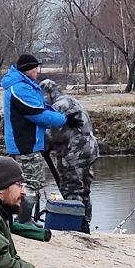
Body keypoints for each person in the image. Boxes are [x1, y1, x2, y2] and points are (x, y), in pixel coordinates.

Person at [0, 53, 66, 222]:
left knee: (28, 183)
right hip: (25, 144)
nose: (37, 72)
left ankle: (25, 219)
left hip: (28, 143)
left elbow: (41, 106)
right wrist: (63, 119)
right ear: (28, 70)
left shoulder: (23, 85)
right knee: (31, 184)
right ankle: (24, 221)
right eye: (35, 69)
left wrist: (54, 113)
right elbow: (36, 113)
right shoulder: (19, 88)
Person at [42, 79, 99, 231]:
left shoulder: (58, 107)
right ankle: (86, 222)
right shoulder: (72, 101)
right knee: (85, 189)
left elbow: (51, 135)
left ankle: (76, 225)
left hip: (73, 154)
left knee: (71, 188)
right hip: (90, 150)